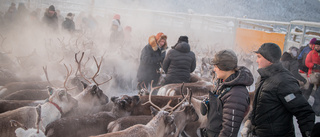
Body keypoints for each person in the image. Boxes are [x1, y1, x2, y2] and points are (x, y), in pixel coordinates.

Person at [242, 43, 315, 137]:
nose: (256, 61)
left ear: (270, 59)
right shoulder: (263, 78)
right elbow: (257, 105)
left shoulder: (284, 81)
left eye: (259, 57)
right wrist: (249, 123)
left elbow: (304, 111)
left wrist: (308, 133)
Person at [200, 49, 253, 137]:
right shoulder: (223, 83)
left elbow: (228, 132)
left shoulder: (236, 94)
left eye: (216, 66)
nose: (214, 69)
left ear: (224, 67)